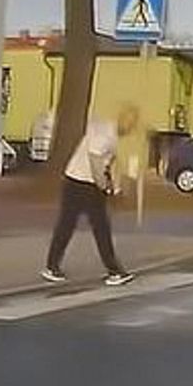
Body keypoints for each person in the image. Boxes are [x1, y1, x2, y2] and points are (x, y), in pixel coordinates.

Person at [41, 105, 140, 286]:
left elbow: (111, 162)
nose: (131, 127)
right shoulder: (105, 134)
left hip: (75, 181)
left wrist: (115, 186)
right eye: (130, 122)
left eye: (133, 123)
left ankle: (51, 266)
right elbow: (95, 162)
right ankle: (114, 271)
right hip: (84, 183)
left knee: (68, 225)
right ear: (122, 119)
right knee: (98, 227)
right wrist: (104, 187)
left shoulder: (111, 134)